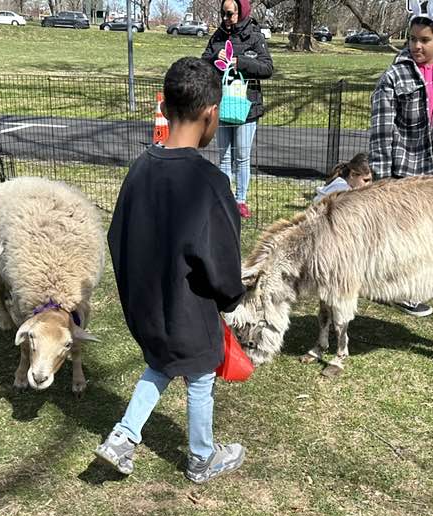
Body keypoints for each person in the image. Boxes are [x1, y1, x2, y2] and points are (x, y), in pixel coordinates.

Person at [95, 57, 247, 484]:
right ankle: (201, 458)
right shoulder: (208, 183)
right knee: (199, 377)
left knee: (159, 366)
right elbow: (221, 261)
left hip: (147, 306)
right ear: (210, 113)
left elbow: (117, 235)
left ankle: (123, 437)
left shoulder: (141, 168)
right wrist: (230, 297)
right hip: (189, 310)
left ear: (166, 106)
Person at [369, 1, 433, 318]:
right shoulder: (395, 76)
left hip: (431, 168)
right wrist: (381, 179)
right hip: (400, 168)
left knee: (427, 228)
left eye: (424, 40)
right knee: (400, 231)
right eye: (412, 39)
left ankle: (426, 280)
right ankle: (405, 290)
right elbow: (381, 131)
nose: (417, 46)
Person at [201, 0, 273, 219]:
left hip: (246, 107)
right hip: (223, 104)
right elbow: (203, 63)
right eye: (223, 14)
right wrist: (215, 59)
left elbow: (267, 68)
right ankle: (225, 198)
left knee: (241, 156)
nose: (226, 19)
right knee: (224, 156)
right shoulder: (218, 36)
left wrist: (240, 62)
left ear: (241, 12)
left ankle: (240, 200)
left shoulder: (255, 36)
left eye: (230, 14)